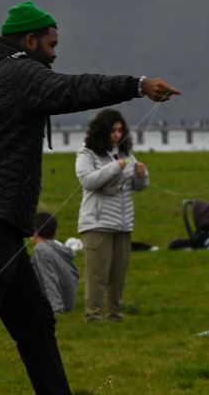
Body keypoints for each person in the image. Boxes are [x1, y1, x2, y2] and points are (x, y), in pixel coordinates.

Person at [0, 1, 178, 395]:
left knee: (36, 323)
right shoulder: (24, 73)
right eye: (52, 45)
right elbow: (75, 90)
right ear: (29, 40)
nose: (55, 54)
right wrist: (137, 85)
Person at [75, 108, 147, 321]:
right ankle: (93, 316)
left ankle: (115, 314)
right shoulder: (86, 153)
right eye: (112, 130)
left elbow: (139, 186)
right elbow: (88, 181)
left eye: (120, 130)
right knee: (97, 275)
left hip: (123, 224)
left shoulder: (125, 154)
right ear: (102, 131)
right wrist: (115, 168)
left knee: (118, 275)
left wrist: (142, 175)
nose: (117, 135)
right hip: (97, 224)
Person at [30, 211, 78, 316]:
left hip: (59, 304)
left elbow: (49, 279)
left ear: (34, 231)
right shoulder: (58, 248)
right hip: (69, 301)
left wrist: (55, 309)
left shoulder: (41, 249)